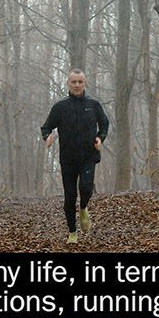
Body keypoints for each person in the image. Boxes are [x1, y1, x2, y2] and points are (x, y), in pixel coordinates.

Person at [41, 68, 109, 244]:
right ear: (68, 83)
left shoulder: (93, 105)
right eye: (74, 82)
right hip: (68, 159)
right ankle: (72, 233)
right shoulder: (60, 107)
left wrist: (100, 138)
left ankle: (84, 207)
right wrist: (47, 137)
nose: (77, 85)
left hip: (88, 156)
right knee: (70, 196)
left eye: (80, 82)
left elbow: (104, 123)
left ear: (85, 83)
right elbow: (46, 127)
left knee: (86, 188)